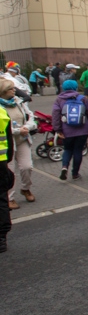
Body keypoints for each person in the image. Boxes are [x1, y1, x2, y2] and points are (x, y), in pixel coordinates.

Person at [0, 78, 36, 208]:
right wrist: (17, 130)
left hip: (22, 139)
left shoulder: (18, 102)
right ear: (3, 91)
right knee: (9, 170)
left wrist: (28, 127)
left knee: (27, 167)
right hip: (6, 144)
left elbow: (30, 116)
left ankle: (26, 188)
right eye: (11, 89)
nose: (14, 91)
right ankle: (9, 197)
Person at [52, 79, 88, 181]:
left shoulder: (59, 99)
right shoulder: (83, 99)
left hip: (67, 130)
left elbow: (55, 115)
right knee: (78, 150)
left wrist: (58, 130)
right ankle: (75, 173)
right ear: (75, 87)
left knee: (67, 149)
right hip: (82, 130)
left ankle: (64, 167)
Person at [0, 102, 14, 253]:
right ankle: (2, 237)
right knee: (1, 199)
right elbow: (8, 139)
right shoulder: (2, 113)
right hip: (1, 161)